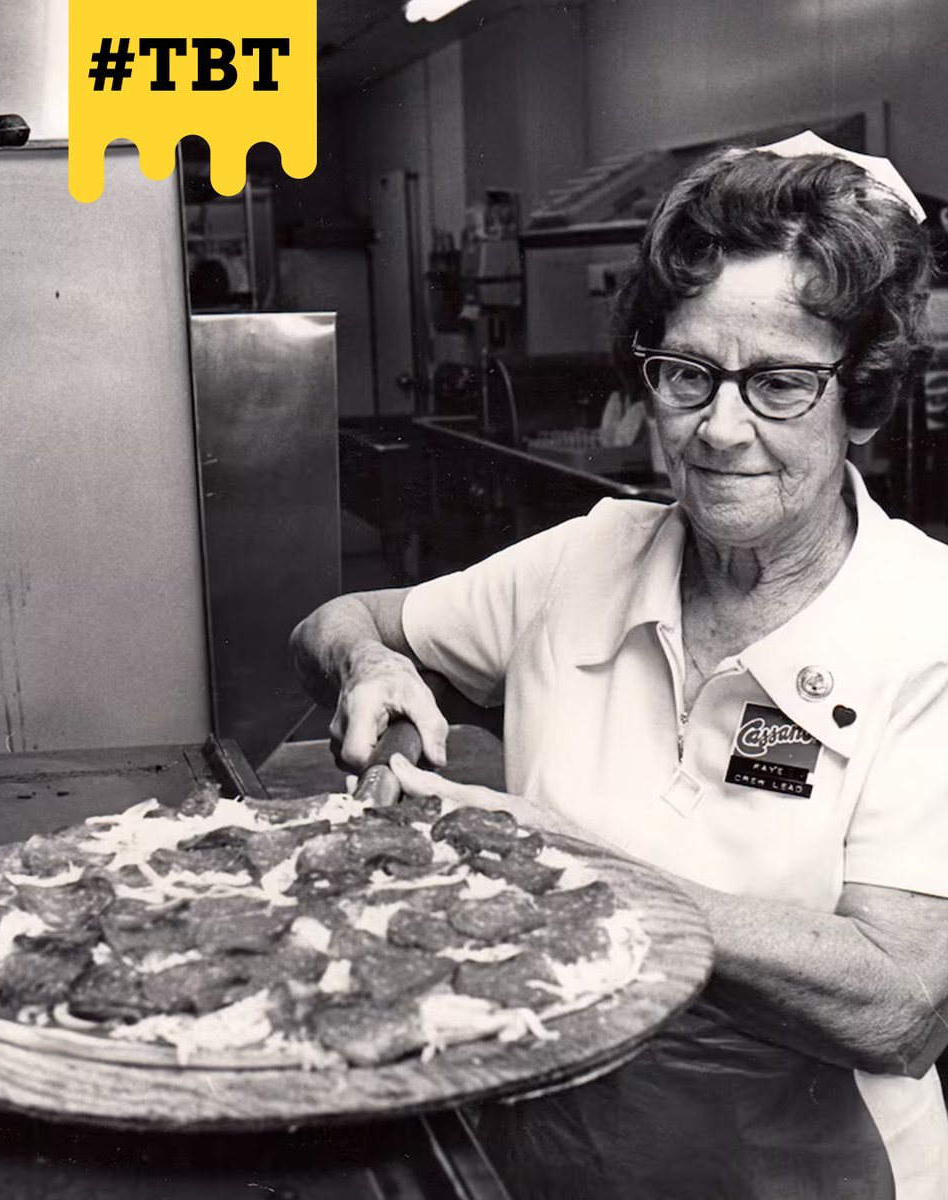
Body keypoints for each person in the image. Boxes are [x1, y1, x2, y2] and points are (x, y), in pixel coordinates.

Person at [290, 133, 948, 1198]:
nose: (721, 429)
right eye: (688, 374)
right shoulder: (586, 558)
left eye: (778, 382)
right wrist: (370, 662)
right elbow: (340, 616)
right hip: (544, 1162)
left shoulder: (928, 628)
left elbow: (901, 1006)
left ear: (862, 398)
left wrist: (583, 869)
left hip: (800, 1176)